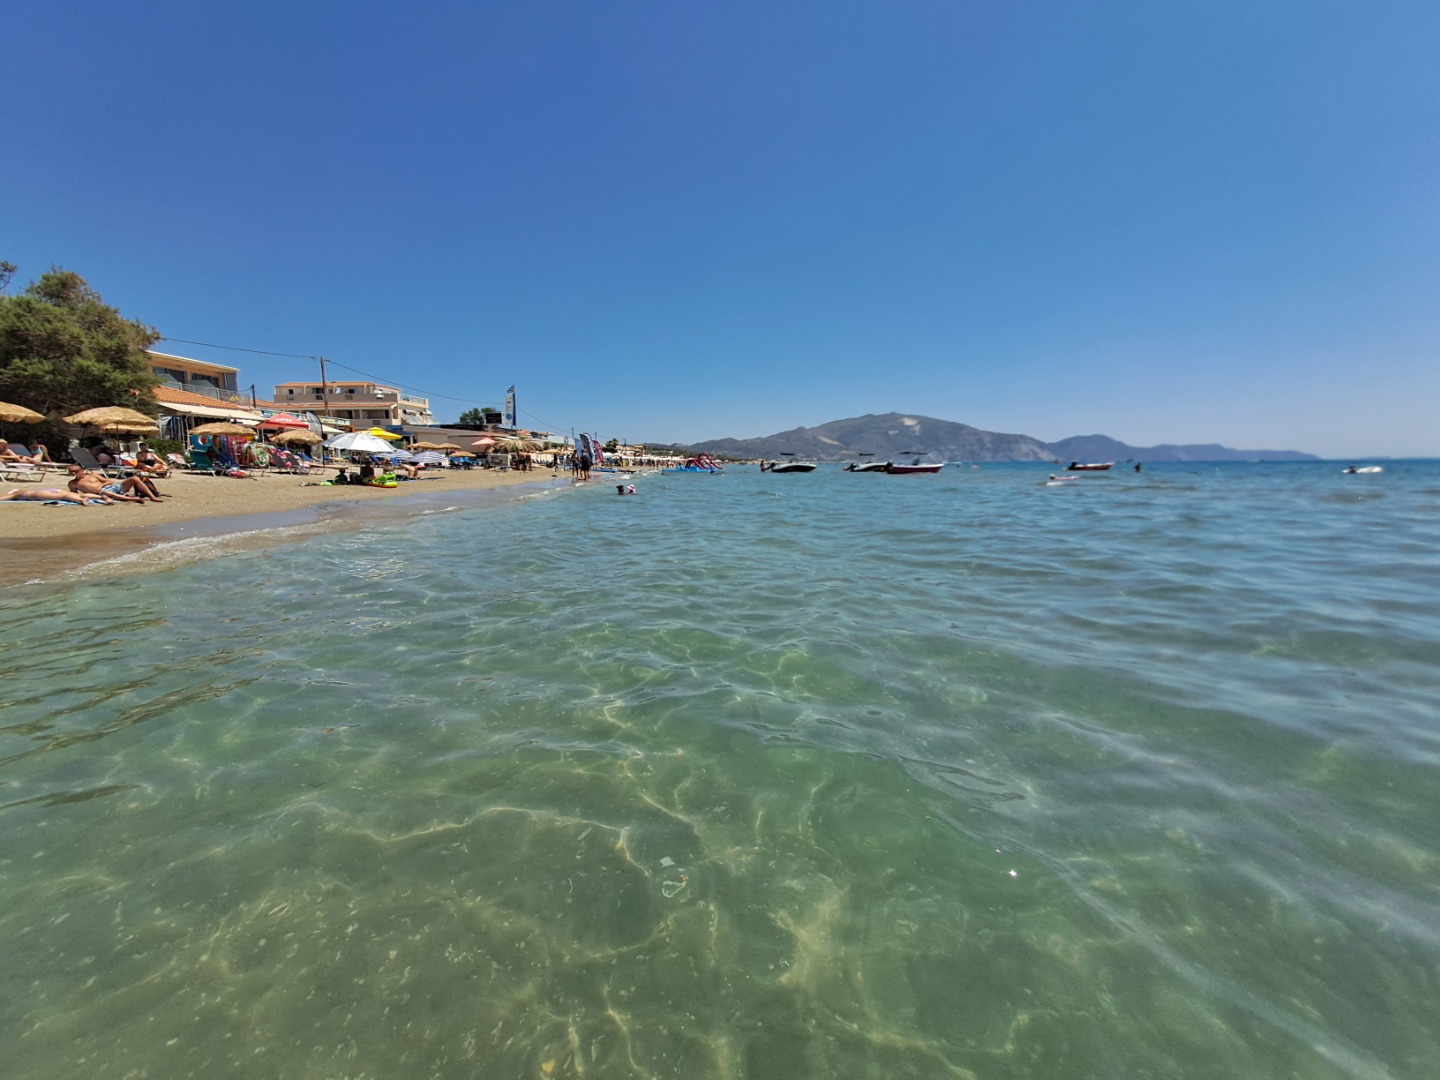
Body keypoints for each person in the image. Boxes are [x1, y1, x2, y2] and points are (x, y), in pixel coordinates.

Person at [67, 464, 162, 503]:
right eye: (71, 472)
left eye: (75, 471)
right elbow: (75, 495)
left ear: (82, 470)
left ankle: (152, 497)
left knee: (134, 478)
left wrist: (101, 485)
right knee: (104, 492)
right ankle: (133, 499)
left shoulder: (93, 475)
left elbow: (109, 481)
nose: (73, 474)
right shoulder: (72, 483)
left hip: (113, 487)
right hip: (102, 493)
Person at [1, 487, 99, 505]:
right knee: (75, 494)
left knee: (63, 496)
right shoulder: (21, 491)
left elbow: (2, 498)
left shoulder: (16, 494)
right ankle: (101, 497)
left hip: (37, 494)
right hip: (49, 489)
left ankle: (82, 500)